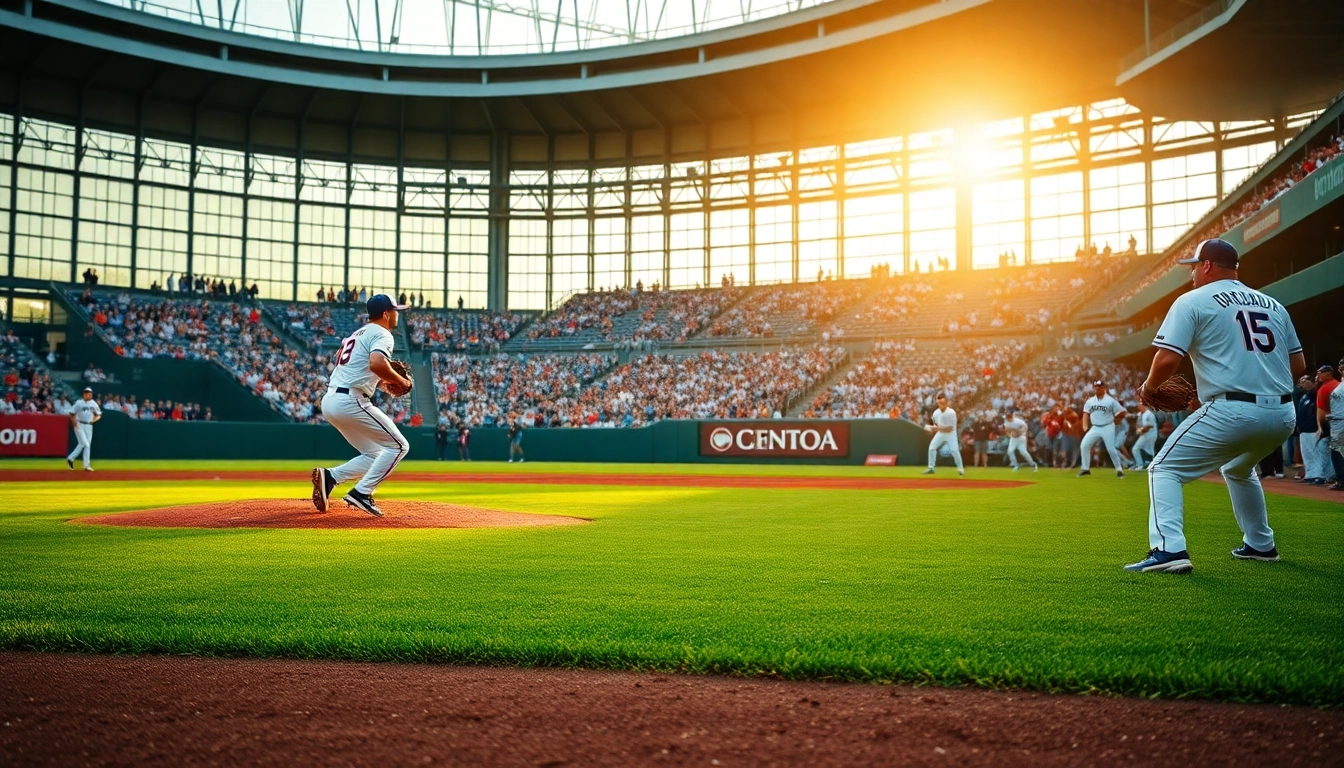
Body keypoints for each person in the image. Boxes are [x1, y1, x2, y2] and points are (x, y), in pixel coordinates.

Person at [1125, 239, 1305, 574]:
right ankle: (1260, 544)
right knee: (1238, 468)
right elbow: (1298, 366)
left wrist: (1149, 388)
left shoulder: (1193, 300)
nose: (1192, 274)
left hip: (1232, 410)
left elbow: (1166, 359)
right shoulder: (1275, 305)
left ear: (1207, 266)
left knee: (1164, 469)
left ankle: (1169, 550)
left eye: (1194, 267)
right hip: (1282, 414)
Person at [310, 294, 413, 517]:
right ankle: (362, 493)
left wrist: (384, 380)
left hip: (331, 401)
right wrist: (400, 380)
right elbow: (376, 363)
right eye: (395, 311)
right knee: (399, 446)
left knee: (374, 454)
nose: (397, 315)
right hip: (351, 400)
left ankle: (331, 477)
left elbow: (361, 369)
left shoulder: (356, 335)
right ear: (386, 314)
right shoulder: (383, 333)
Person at [1078, 381, 1127, 477]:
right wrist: (1084, 425)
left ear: (1104, 388)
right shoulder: (1090, 401)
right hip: (1095, 427)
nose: (1097, 389)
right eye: (1095, 387)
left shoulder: (1110, 400)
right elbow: (1085, 413)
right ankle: (1085, 468)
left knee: (1111, 449)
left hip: (1108, 426)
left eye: (1099, 387)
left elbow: (1122, 411)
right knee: (1084, 445)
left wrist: (1117, 418)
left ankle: (1119, 470)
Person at [921, 393, 964, 476]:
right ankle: (931, 468)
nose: (941, 404)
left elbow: (950, 428)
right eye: (939, 402)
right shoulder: (936, 413)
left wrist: (937, 429)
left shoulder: (951, 413)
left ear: (946, 402)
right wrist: (931, 430)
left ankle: (960, 468)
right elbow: (936, 425)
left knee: (954, 450)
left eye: (942, 402)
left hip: (951, 434)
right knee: (932, 448)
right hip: (941, 433)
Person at [66, 387, 102, 471]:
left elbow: (99, 415)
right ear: (84, 394)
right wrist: (75, 424)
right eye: (88, 394)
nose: (90, 395)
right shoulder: (79, 403)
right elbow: (71, 413)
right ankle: (86, 465)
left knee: (84, 444)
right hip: (80, 424)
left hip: (89, 425)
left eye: (91, 394)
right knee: (86, 444)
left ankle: (72, 459)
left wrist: (93, 420)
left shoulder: (93, 403)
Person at [1132, 403, 1158, 471]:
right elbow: (1138, 424)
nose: (1138, 407)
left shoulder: (1149, 414)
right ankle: (1152, 465)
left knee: (1136, 448)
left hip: (1151, 434)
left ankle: (1140, 465)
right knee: (1151, 451)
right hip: (1144, 435)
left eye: (1140, 406)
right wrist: (1138, 429)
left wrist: (1140, 431)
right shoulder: (1139, 414)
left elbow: (1149, 426)